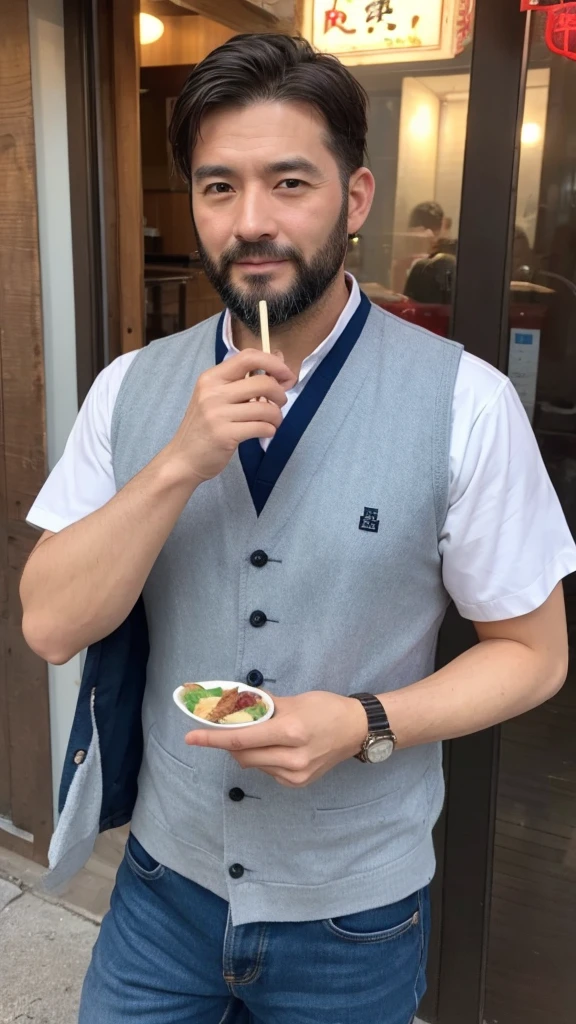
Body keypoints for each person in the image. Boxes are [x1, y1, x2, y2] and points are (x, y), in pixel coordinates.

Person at [21, 34, 576, 1024]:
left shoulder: (467, 404)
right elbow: (51, 624)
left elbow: (532, 654)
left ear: (356, 200)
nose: (253, 222)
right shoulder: (130, 389)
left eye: (290, 183)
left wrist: (368, 723)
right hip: (160, 888)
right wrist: (179, 463)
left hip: (355, 917)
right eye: (218, 188)